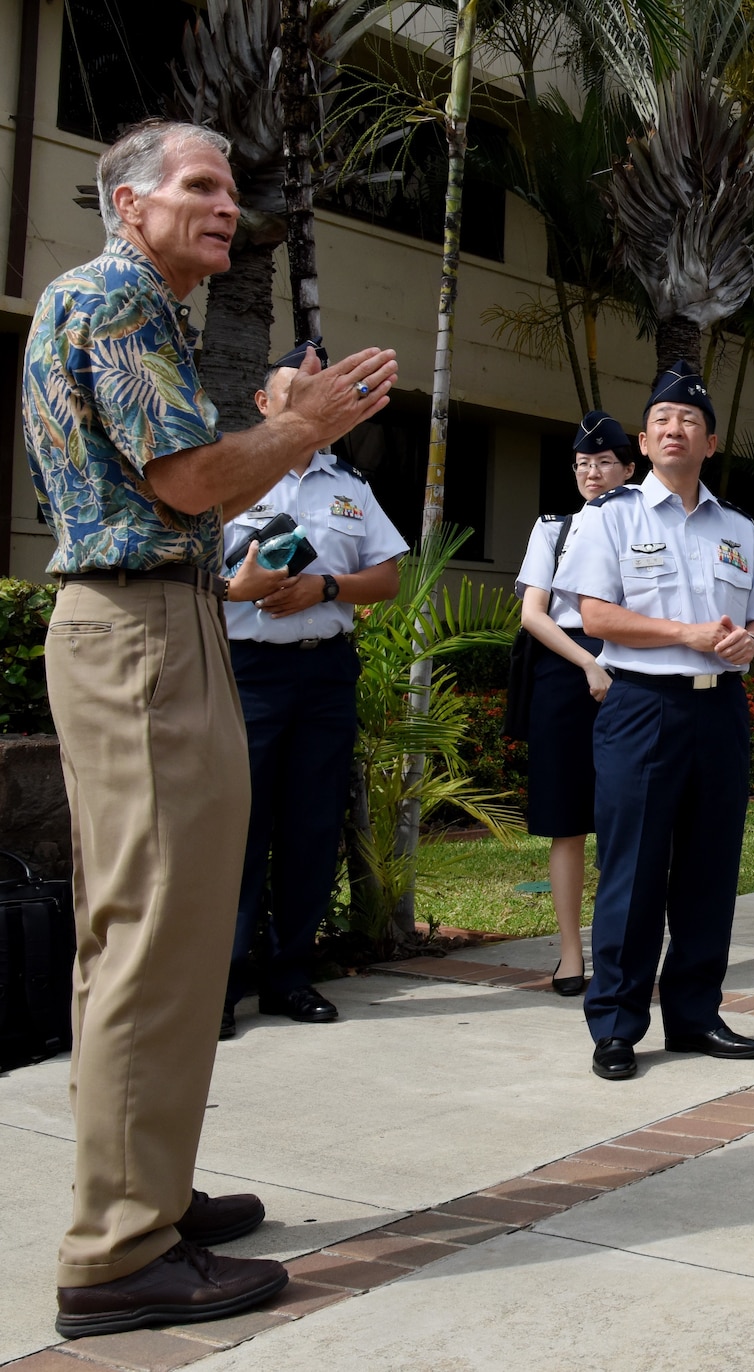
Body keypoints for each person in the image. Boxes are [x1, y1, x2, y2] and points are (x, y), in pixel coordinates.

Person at [22, 119, 395, 1334]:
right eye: (198, 185)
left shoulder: (130, 301)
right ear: (129, 205)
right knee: (153, 935)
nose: (226, 204)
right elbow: (189, 481)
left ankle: (148, 1193)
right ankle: (120, 1252)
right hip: (140, 635)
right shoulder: (121, 298)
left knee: (156, 931)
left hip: (151, 628)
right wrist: (312, 425)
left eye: (230, 188)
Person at [554, 362, 754, 1081]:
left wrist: (751, 641)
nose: (674, 428)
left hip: (718, 709)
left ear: (710, 442)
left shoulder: (738, 528)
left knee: (708, 869)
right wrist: (687, 634)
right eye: (661, 419)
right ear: (645, 439)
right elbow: (594, 614)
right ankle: (618, 1025)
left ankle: (694, 1014)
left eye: (689, 419)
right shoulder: (610, 517)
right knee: (633, 869)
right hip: (642, 707)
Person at [220, 339, 409, 1039]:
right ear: (264, 405)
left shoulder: (349, 488)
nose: (310, 397)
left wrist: (323, 587)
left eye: (319, 389)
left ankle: (289, 976)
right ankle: (221, 982)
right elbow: (184, 571)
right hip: (248, 672)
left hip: (325, 670)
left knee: (310, 826)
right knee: (236, 828)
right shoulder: (230, 478)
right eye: (294, 389)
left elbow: (386, 578)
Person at [515, 412, 637, 996]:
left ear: (629, 467)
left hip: (636, 668)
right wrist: (589, 663)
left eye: (604, 462)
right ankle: (570, 955)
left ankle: (625, 953)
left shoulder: (647, 526)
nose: (592, 473)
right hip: (567, 673)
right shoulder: (554, 529)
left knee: (630, 820)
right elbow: (532, 614)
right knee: (568, 824)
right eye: (583, 464)